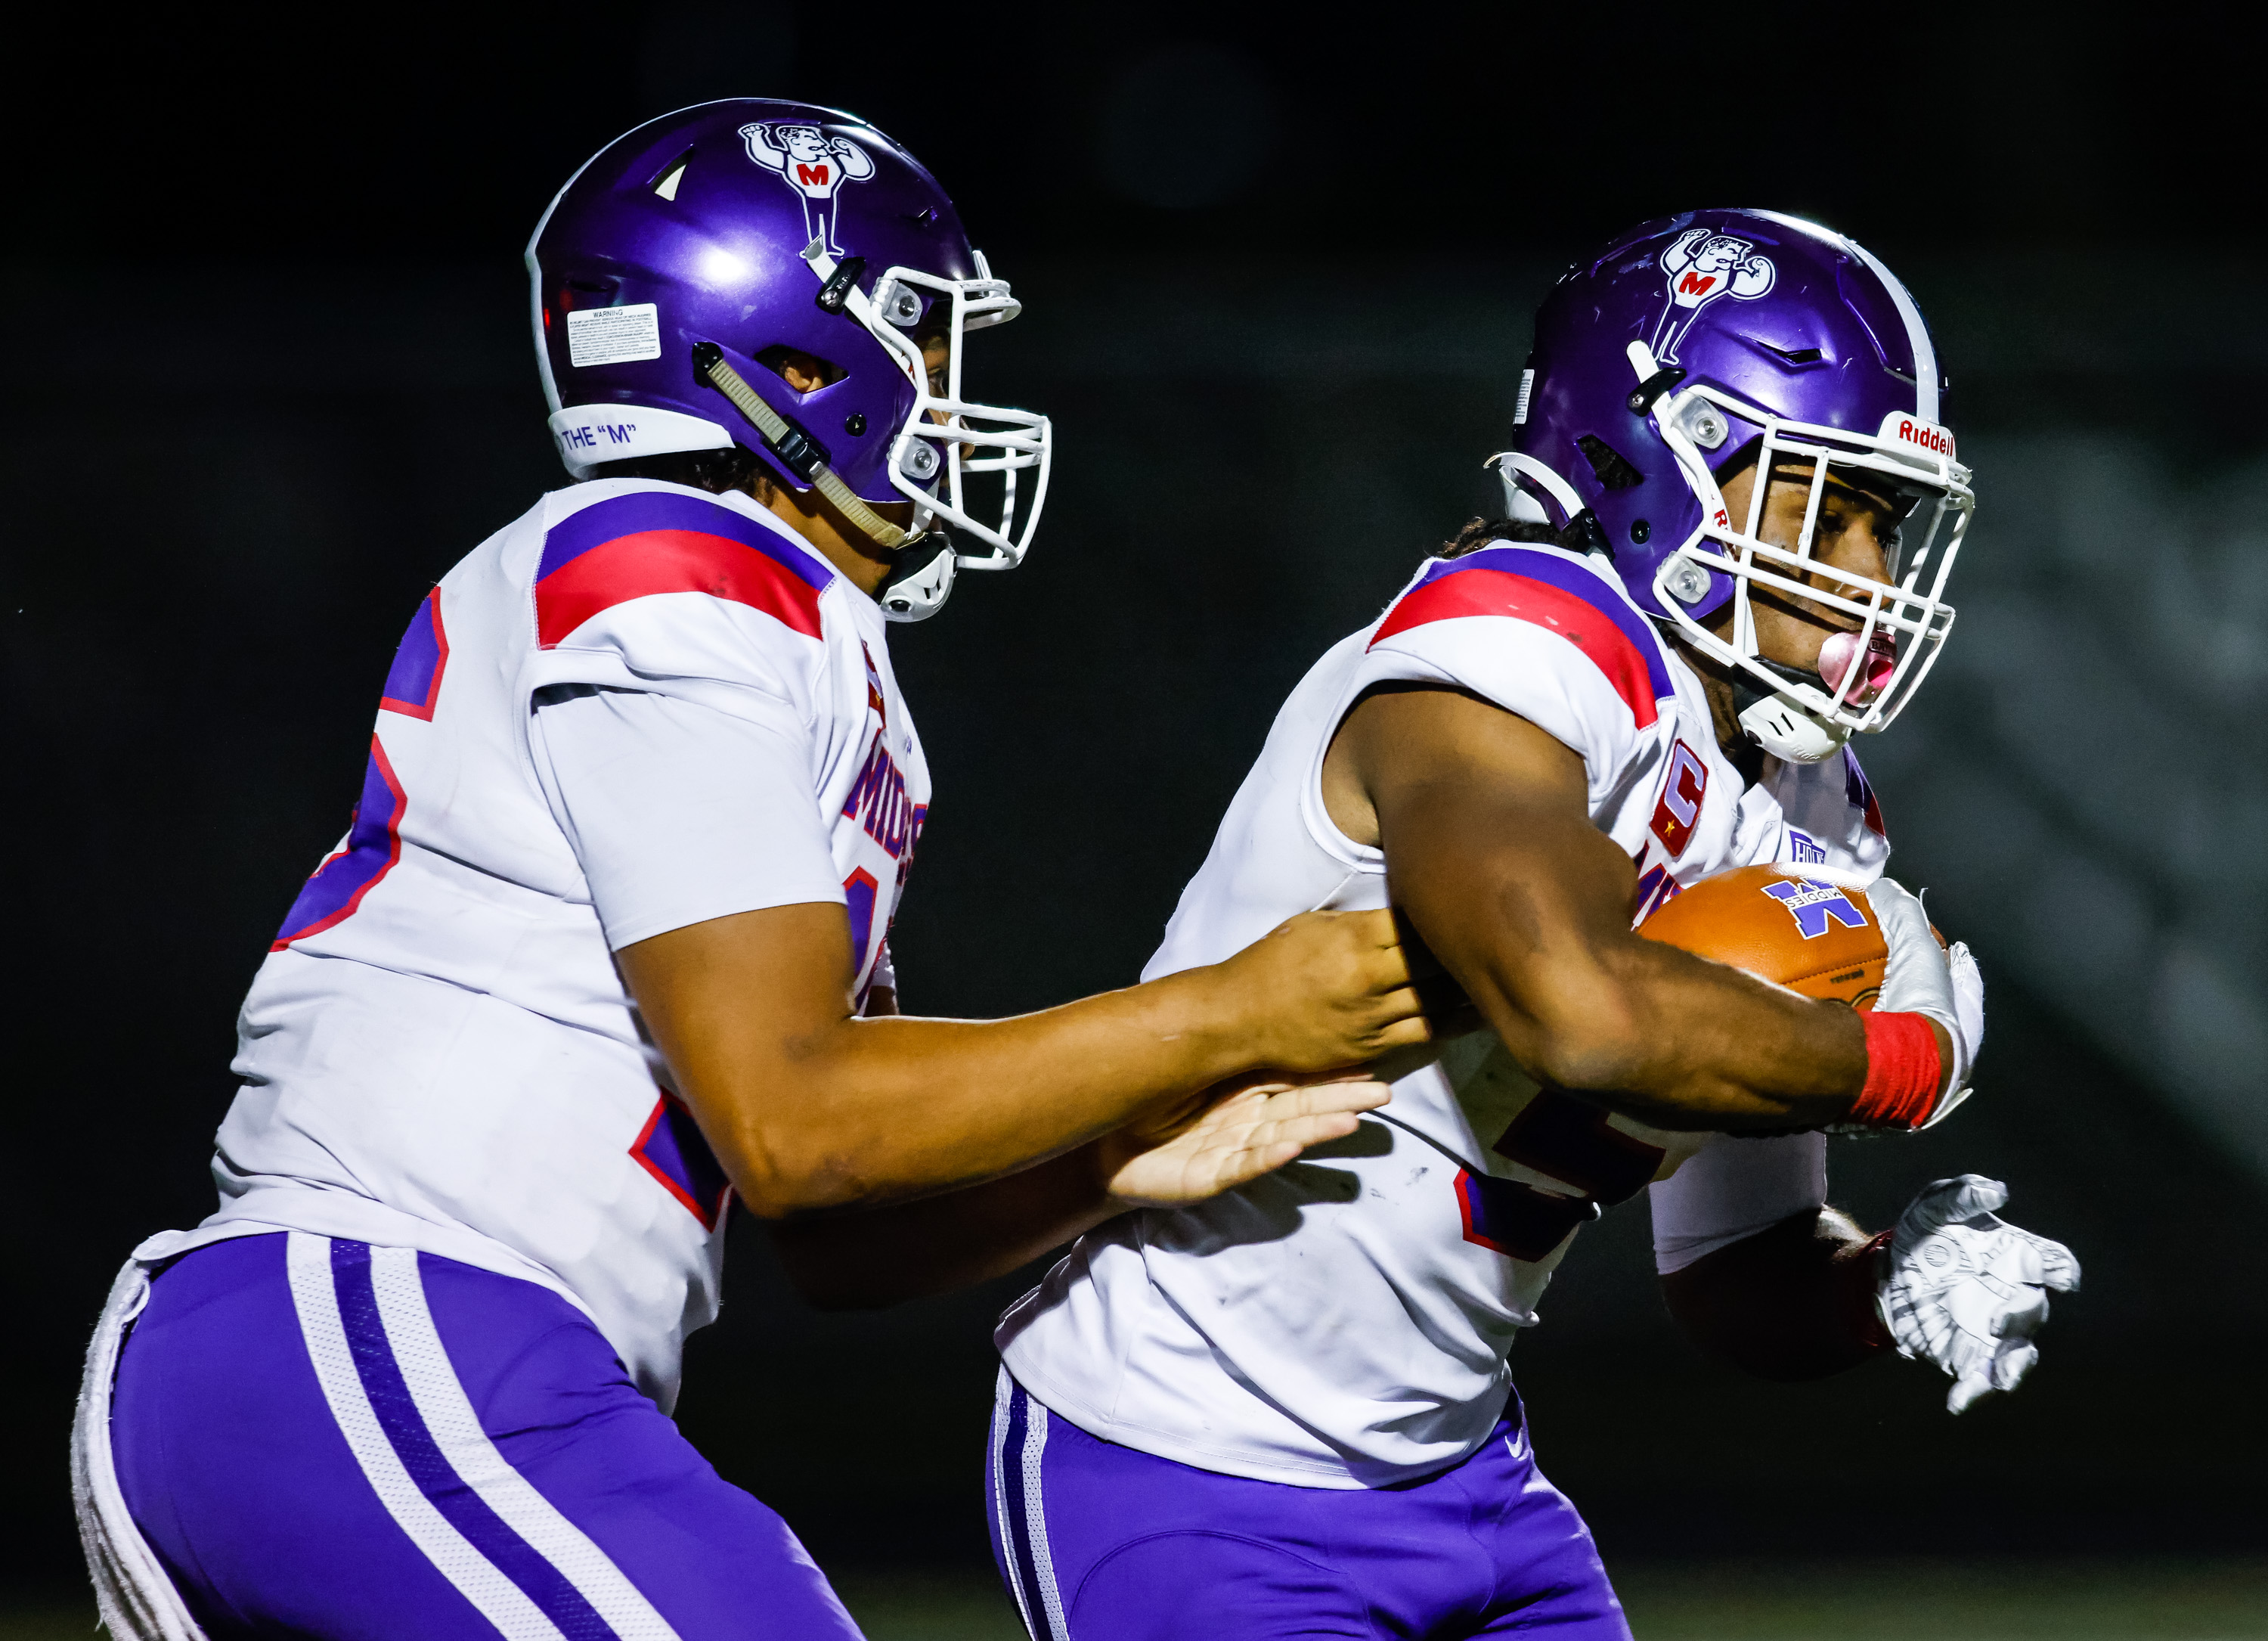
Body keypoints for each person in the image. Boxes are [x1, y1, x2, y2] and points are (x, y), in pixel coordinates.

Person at [69, 100, 1442, 1641]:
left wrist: (1106, 1159)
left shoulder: (788, 633)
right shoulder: (670, 565)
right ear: (793, 363)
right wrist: (1226, 1014)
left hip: (441, 1363)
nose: (948, 390)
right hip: (383, 1325)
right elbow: (802, 1123)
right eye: (916, 333)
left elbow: (838, 1234)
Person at [775, 210, 2079, 1640]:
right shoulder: (1514, 644)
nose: (1868, 576)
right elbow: (1578, 1014)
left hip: (1472, 1480)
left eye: (1883, 526)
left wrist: (1883, 1281)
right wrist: (1898, 1059)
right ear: (1661, 456)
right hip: (1184, 1457)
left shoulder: (1805, 798)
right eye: (1823, 508)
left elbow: (1730, 1272)